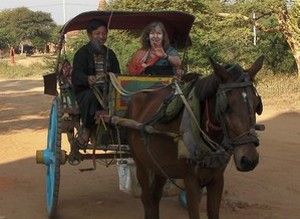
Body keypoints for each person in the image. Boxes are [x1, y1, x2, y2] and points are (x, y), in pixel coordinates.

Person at [71, 19, 121, 147]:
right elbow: (76, 75)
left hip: (109, 90)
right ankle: (87, 130)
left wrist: (112, 79)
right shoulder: (81, 54)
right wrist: (87, 79)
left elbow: (117, 74)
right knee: (90, 97)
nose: (101, 37)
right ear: (89, 35)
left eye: (104, 34)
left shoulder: (110, 54)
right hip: (87, 90)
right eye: (97, 33)